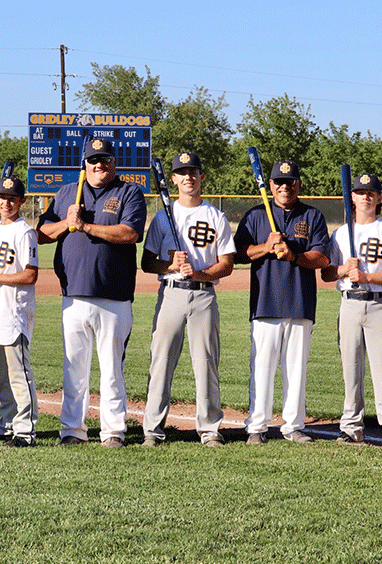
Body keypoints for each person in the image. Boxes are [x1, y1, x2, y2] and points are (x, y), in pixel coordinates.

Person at [37, 137, 147, 448]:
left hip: (115, 296)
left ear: (115, 162)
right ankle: (73, 430)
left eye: (106, 159)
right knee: (74, 368)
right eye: (93, 160)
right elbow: (42, 233)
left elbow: (130, 233)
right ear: (84, 164)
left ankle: (113, 431)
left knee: (112, 369)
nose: (100, 165)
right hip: (72, 295)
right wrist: (66, 224)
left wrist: (85, 227)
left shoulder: (129, 192)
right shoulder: (66, 193)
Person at [140, 151, 235, 448]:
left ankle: (209, 430)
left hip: (204, 297)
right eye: (182, 173)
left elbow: (227, 264)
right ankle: (152, 430)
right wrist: (169, 265)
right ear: (174, 180)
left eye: (193, 172)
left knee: (206, 363)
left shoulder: (215, 216)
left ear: (201, 176)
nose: (188, 177)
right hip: (170, 294)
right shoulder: (162, 219)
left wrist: (201, 273)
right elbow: (146, 262)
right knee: (161, 361)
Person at [234, 159, 330, 444]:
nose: (284, 187)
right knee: (262, 367)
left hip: (300, 304)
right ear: (271, 185)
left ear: (298, 184)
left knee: (296, 368)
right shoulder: (255, 215)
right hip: (265, 303)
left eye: (290, 182)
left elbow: (322, 258)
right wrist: (265, 246)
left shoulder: (312, 216)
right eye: (278, 182)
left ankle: (293, 425)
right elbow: (237, 254)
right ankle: (257, 427)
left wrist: (294, 256)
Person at [320, 173, 382, 448]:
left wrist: (367, 277)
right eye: (360, 192)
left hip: (379, 304)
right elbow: (326, 273)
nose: (365, 196)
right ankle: (350, 427)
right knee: (351, 368)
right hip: (349, 304)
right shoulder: (341, 233)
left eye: (371, 192)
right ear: (352, 198)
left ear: (379, 198)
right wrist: (345, 269)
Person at [0, 176, 39, 448]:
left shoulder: (24, 232)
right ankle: (7, 425)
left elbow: (30, 275)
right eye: (2, 197)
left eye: (13, 198)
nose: (7, 202)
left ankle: (25, 432)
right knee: (2, 376)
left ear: (21, 201)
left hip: (15, 312)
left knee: (19, 374)